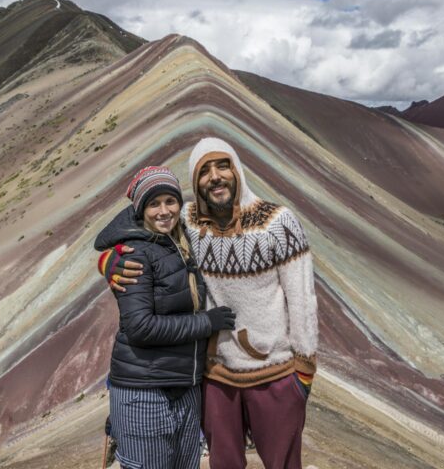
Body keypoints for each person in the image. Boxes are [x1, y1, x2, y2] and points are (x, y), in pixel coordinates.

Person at [99, 139, 319, 469]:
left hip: (275, 373)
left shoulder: (278, 222)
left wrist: (304, 371)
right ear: (195, 183)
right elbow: (137, 224)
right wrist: (107, 261)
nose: (215, 177)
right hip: (215, 377)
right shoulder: (188, 222)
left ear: (237, 170)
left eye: (223, 166)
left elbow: (302, 297)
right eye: (204, 171)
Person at [94, 165, 236, 469]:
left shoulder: (180, 243)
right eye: (153, 203)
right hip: (144, 392)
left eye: (170, 201)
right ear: (140, 209)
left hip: (184, 387)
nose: (163, 211)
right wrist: (207, 323)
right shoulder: (134, 253)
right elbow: (140, 328)